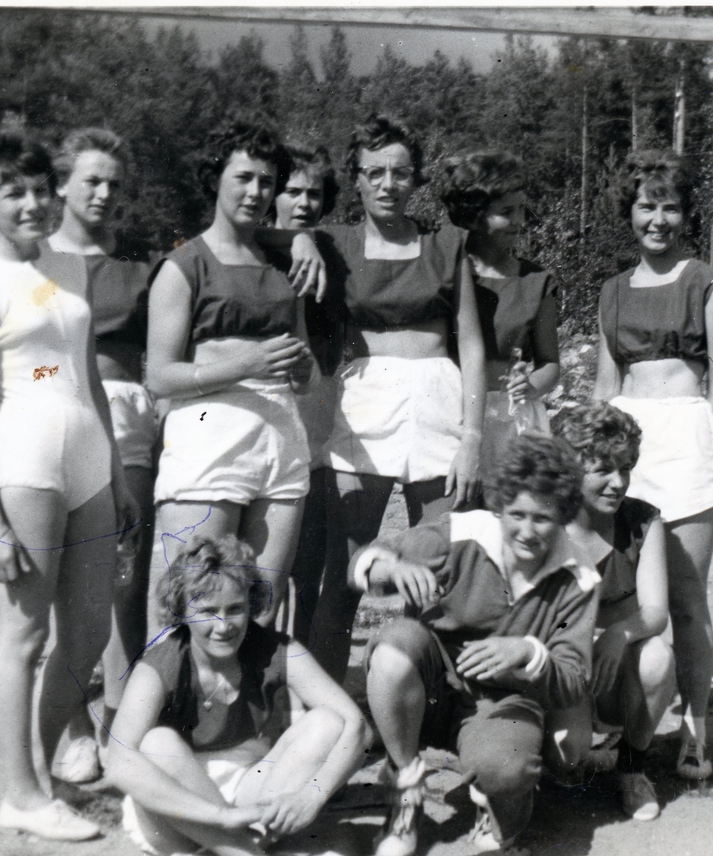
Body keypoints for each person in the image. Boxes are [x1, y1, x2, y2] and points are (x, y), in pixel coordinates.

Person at [0, 130, 136, 841]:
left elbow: (86, 377)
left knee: (86, 630)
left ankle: (38, 766)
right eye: (10, 192)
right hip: (26, 457)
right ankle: (22, 794)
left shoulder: (67, 267)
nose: (29, 204)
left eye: (35, 190)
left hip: (86, 450)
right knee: (23, 632)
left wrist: (116, 474)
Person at [357, 433, 598, 856]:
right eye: (516, 514)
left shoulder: (578, 576)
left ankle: (501, 803)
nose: (526, 531)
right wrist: (391, 566)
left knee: (505, 770)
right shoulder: (463, 532)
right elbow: (370, 559)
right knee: (394, 649)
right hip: (431, 684)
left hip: (504, 699)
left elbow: (574, 678)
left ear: (563, 516)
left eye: (541, 518)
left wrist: (529, 653)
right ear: (500, 507)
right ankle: (406, 788)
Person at [311, 114, 487, 679]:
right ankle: (326, 706)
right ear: (356, 179)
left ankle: (424, 703)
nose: (388, 184)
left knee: (436, 563)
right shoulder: (332, 244)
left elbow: (474, 346)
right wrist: (295, 238)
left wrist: (473, 436)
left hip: (439, 399)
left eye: (401, 172)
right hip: (363, 405)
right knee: (348, 565)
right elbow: (270, 232)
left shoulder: (445, 244)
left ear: (416, 179)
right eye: (375, 172)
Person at [593, 149, 713, 780]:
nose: (658, 219)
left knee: (686, 600)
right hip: (627, 445)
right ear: (629, 212)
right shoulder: (613, 290)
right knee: (619, 593)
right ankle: (619, 725)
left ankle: (695, 732)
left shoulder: (709, 284)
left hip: (685, 440)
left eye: (671, 206)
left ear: (687, 213)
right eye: (646, 205)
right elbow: (603, 386)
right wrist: (588, 458)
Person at [145, 116, 320, 636]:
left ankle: (251, 717)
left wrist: (303, 369)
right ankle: (167, 717)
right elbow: (158, 375)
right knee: (193, 601)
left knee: (261, 605)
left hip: (278, 440)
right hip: (207, 432)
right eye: (243, 178)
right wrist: (245, 365)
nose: (256, 192)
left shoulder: (285, 263)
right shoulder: (185, 265)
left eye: (267, 182)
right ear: (216, 180)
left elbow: (303, 371)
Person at [105, 534, 371, 856]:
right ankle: (245, 851)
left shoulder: (277, 650)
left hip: (249, 790)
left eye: (235, 609)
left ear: (251, 602)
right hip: (179, 807)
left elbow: (357, 727)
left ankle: (242, 848)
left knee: (328, 722)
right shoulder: (159, 667)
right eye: (207, 611)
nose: (223, 626)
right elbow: (118, 762)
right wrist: (221, 816)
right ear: (181, 610)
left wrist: (312, 795)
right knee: (156, 743)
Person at [41, 127, 157, 785]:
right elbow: (24, 367)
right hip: (56, 417)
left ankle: (121, 720)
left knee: (124, 579)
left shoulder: (139, 269)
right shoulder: (39, 262)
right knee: (66, 582)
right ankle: (74, 727)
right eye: (91, 179)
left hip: (129, 421)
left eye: (114, 182)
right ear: (62, 184)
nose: (105, 192)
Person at [547, 402, 677, 821]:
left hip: (613, 665)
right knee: (568, 759)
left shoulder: (641, 521)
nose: (617, 482)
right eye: (602, 469)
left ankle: (632, 767)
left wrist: (619, 634)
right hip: (562, 662)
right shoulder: (545, 522)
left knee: (657, 658)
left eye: (625, 468)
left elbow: (655, 610)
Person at [438, 150, 560, 463]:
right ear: (475, 216)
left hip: (513, 420)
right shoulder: (446, 274)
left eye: (522, 209)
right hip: (454, 414)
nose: (520, 221)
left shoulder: (536, 280)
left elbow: (550, 364)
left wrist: (531, 385)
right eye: (506, 211)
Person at [270, 144, 344, 647]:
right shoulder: (253, 249)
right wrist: (296, 241)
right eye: (291, 191)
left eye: (313, 193)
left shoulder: (330, 249)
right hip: (267, 401)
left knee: (309, 556)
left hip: (317, 399)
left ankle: (300, 667)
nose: (303, 202)